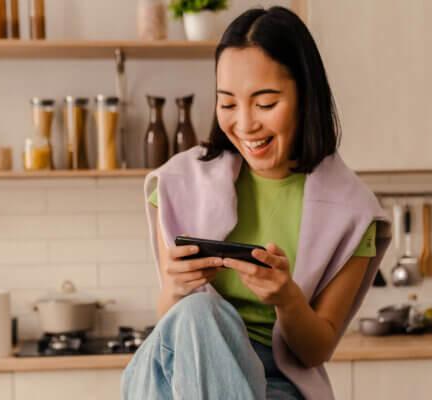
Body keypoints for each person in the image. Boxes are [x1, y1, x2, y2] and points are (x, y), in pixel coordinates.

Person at [122, 6, 391, 400]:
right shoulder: (179, 183)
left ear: (305, 95)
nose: (245, 124)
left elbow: (317, 350)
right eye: (228, 104)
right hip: (172, 371)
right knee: (198, 313)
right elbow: (169, 323)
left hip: (275, 382)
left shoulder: (352, 212)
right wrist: (177, 288)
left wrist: (288, 298)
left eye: (265, 104)